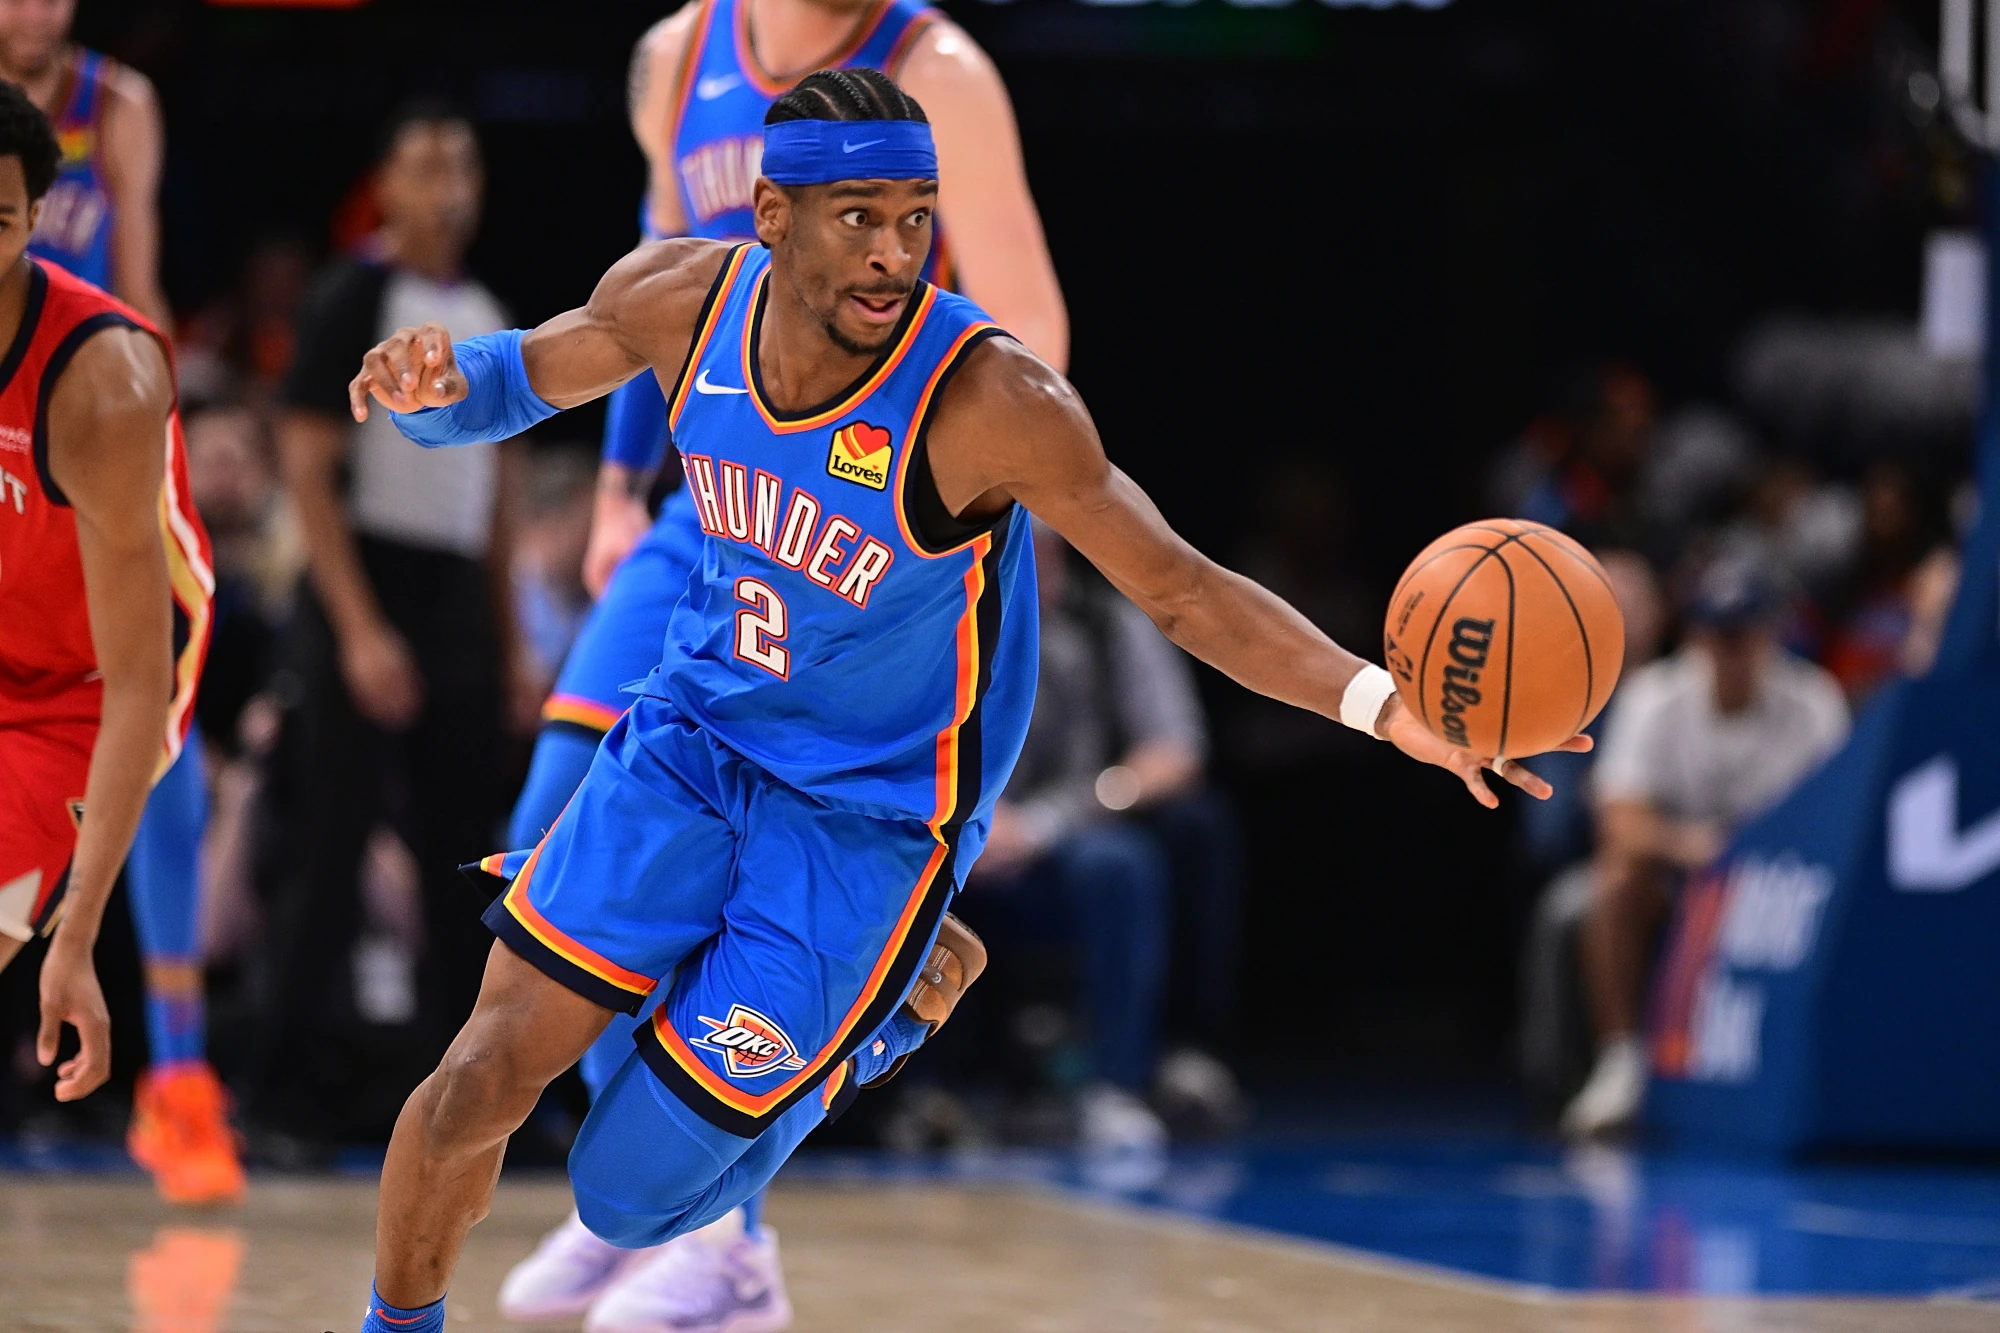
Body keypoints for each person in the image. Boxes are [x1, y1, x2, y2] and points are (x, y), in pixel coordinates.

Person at [340, 69, 1583, 1333]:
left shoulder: (992, 401)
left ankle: (873, 1022)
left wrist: (1386, 708)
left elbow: (1185, 592)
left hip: (864, 824)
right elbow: (506, 384)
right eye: (857, 216)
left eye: (916, 215)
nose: (893, 253)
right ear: (768, 213)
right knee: (471, 1091)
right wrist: (424, 391)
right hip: (687, 744)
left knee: (621, 1198)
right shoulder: (677, 298)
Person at [498, 3, 1066, 1325]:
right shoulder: (672, 56)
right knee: (551, 841)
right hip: (708, 502)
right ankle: (685, 1218)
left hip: (863, 524)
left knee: (766, 872)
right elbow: (658, 284)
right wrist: (620, 490)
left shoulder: (940, 71)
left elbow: (1033, 346)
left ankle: (719, 1236)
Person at [0, 0, 240, 1202]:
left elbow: (137, 283)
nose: (33, 9)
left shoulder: (117, 107)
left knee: (158, 768)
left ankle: (181, 1081)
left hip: (97, 446)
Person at [258, 101, 525, 1139]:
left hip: (455, 592)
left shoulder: (496, 312)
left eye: (463, 164)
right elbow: (306, 470)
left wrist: (509, 644)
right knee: (328, 851)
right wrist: (360, 630)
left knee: (466, 857)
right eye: (427, 165)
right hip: (356, 583)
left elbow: (498, 504)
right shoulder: (353, 292)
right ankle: (277, 1091)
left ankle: (464, 1101)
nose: (449, 184)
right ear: (390, 185)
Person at [961, 520, 1232, 1150]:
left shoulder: (1104, 627)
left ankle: (1118, 1084)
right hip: (958, 824)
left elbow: (1168, 750)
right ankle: (910, 1093)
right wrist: (969, 820)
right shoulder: (938, 627)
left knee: (1128, 861)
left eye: (1042, 555)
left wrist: (1047, 822)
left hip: (1066, 828)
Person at [1564, 554, 1848, 1137]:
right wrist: (1696, 846)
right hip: (1682, 876)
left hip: (1779, 884)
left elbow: (1840, 819)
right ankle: (1621, 1063)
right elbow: (1619, 822)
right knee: (1614, 884)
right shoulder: (1653, 697)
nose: (1729, 648)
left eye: (1743, 632)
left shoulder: (1815, 703)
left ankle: (1812, 1071)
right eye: (1716, 631)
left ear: (1773, 633)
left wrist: (1758, 858)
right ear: (1695, 633)